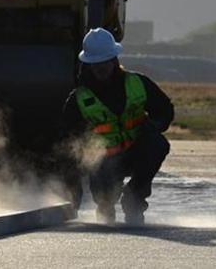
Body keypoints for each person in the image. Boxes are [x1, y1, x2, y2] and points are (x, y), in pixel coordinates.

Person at [61, 27, 174, 226]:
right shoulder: (78, 100)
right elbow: (70, 147)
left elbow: (165, 110)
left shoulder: (138, 83)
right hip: (103, 163)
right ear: (88, 65)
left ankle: (134, 200)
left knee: (158, 144)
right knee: (105, 200)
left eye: (105, 62)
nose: (101, 68)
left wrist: (154, 126)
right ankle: (105, 207)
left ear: (114, 60)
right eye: (96, 64)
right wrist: (73, 193)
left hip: (136, 153)